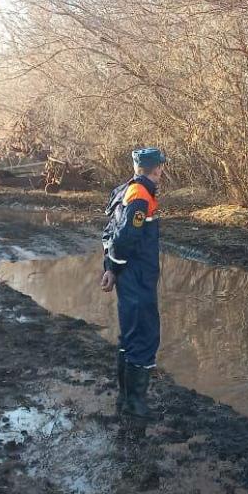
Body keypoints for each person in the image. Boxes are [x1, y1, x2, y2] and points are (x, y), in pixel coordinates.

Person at [100, 147, 165, 418]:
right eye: (162, 167)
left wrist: (110, 267)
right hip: (137, 276)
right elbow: (125, 237)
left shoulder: (123, 190)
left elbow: (109, 233)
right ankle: (136, 404)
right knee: (145, 336)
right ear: (157, 169)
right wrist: (113, 268)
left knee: (129, 335)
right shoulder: (140, 196)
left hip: (129, 275)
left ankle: (125, 398)